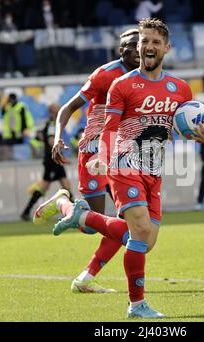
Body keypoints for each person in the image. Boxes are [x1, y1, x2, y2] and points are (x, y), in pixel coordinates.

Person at [34, 18, 204, 318]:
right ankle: (136, 305)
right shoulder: (121, 83)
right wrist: (105, 156)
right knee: (140, 230)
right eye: (144, 42)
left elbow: (187, 127)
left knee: (144, 240)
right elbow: (109, 127)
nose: (148, 47)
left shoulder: (181, 89)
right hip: (123, 163)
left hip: (153, 169)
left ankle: (78, 213)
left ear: (167, 47)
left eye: (155, 42)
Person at [47, 28, 140, 293]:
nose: (137, 49)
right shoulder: (105, 74)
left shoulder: (146, 76)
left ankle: (86, 279)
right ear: (121, 51)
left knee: (130, 225)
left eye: (140, 43)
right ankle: (64, 204)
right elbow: (68, 108)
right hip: (94, 151)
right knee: (92, 225)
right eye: (131, 45)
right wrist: (58, 138)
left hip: (123, 154)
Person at [21, 103, 73, 221]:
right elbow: (51, 141)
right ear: (53, 112)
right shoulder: (51, 124)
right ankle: (74, 211)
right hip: (52, 158)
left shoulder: (52, 123)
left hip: (53, 158)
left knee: (51, 185)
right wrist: (61, 153)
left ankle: (26, 211)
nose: (60, 110)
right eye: (58, 109)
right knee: (62, 184)